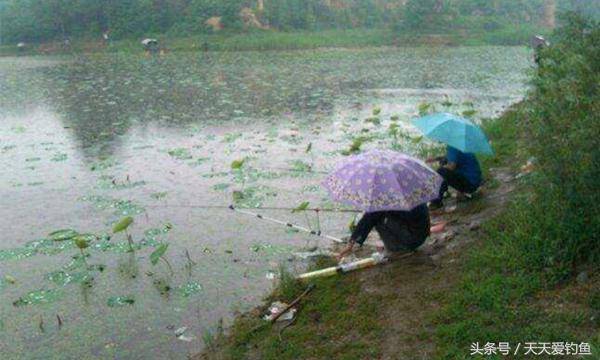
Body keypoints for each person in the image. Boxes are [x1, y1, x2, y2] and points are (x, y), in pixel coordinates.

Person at [337, 203, 443, 260]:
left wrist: (351, 243)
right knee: (377, 215)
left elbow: (369, 218)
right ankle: (398, 246)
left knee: (377, 218)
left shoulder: (391, 199)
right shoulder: (411, 193)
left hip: (413, 238)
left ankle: (399, 249)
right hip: (421, 237)